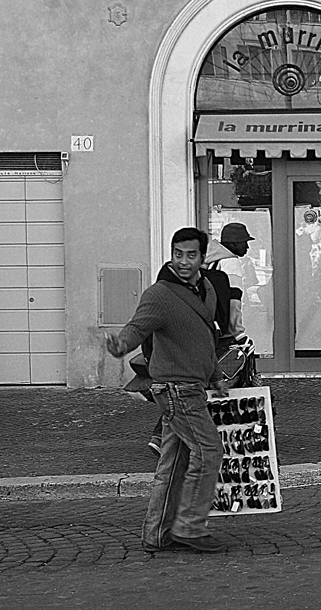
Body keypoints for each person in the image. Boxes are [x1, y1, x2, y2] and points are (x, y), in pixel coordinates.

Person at [105, 227, 228, 554]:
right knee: (209, 451)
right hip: (175, 389)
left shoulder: (206, 290)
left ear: (203, 257)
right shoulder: (159, 294)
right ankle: (189, 525)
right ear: (171, 254)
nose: (183, 261)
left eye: (191, 255)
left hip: (193, 386)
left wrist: (216, 375)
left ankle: (157, 533)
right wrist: (120, 345)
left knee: (173, 462)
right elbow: (136, 328)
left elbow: (205, 339)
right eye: (178, 254)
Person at [139, 238, 247, 455]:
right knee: (191, 399)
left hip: (165, 358)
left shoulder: (166, 281)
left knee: (176, 401)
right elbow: (221, 319)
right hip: (186, 358)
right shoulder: (214, 280)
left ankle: (163, 441)